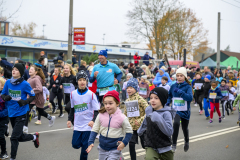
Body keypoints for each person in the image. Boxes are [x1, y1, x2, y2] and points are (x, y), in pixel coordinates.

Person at [1, 63, 39, 160]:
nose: (13, 71)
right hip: (11, 112)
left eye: (16, 69)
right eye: (13, 69)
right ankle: (34, 137)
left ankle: (12, 158)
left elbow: (33, 96)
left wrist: (25, 101)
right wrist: (6, 97)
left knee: (13, 137)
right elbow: (2, 94)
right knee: (20, 137)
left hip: (22, 113)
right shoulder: (8, 82)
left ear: (21, 72)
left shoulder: (25, 84)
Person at [87, 90, 132, 159]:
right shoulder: (100, 115)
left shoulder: (122, 117)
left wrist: (124, 142)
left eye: (110, 103)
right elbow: (95, 129)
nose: (107, 106)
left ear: (117, 103)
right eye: (105, 103)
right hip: (102, 148)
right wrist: (90, 142)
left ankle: (118, 157)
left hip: (115, 148)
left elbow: (129, 132)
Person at [67, 70, 100, 160]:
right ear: (77, 81)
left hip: (87, 126)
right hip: (77, 125)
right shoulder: (73, 94)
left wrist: (93, 121)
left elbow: (97, 111)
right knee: (75, 145)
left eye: (84, 80)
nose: (82, 82)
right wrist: (69, 119)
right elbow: (72, 109)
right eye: (80, 80)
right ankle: (85, 143)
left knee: (84, 151)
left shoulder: (91, 95)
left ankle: (86, 145)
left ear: (86, 81)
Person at [138, 87, 176, 160]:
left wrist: (157, 117)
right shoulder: (149, 112)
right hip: (151, 145)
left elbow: (169, 131)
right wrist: (139, 132)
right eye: (151, 98)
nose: (152, 100)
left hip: (165, 146)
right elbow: (144, 124)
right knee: (149, 158)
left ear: (162, 99)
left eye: (156, 98)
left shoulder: (166, 113)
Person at [166, 67, 193, 152]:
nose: (179, 77)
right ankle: (173, 145)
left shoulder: (188, 86)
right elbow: (169, 95)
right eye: (177, 75)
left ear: (184, 76)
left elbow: (189, 98)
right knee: (176, 124)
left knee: (185, 128)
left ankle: (187, 141)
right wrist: (167, 102)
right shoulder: (173, 85)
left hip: (185, 110)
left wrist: (181, 92)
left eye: (181, 75)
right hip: (176, 110)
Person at [25, 65, 55, 130]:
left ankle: (51, 118)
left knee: (41, 112)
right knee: (27, 110)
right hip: (31, 98)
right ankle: (25, 127)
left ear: (35, 72)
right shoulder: (28, 79)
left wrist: (31, 91)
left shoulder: (36, 79)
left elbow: (39, 88)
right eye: (30, 69)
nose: (30, 70)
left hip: (38, 98)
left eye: (32, 70)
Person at [124, 78, 148, 160]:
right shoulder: (127, 100)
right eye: (128, 88)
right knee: (131, 144)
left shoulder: (140, 99)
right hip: (131, 127)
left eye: (131, 88)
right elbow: (125, 114)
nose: (129, 90)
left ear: (135, 88)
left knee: (145, 145)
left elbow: (148, 111)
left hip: (141, 127)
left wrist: (140, 120)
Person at [0, 77, 9, 159]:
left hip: (4, 118)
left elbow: (7, 110)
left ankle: (4, 152)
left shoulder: (5, 95)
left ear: (2, 86)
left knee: (0, 136)